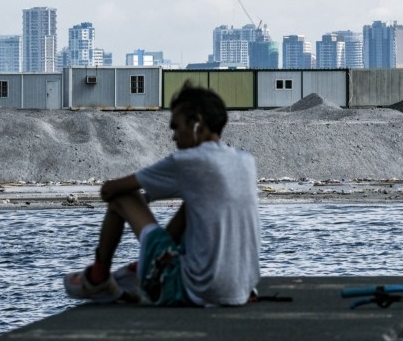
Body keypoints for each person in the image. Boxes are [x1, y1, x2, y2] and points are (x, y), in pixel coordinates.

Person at [64, 82, 261, 306]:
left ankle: (97, 278)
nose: (174, 137)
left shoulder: (188, 160)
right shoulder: (245, 160)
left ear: (196, 123)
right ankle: (146, 268)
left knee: (123, 199)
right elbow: (194, 205)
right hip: (241, 291)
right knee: (192, 204)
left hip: (197, 291)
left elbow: (109, 190)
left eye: (176, 127)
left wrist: (140, 202)